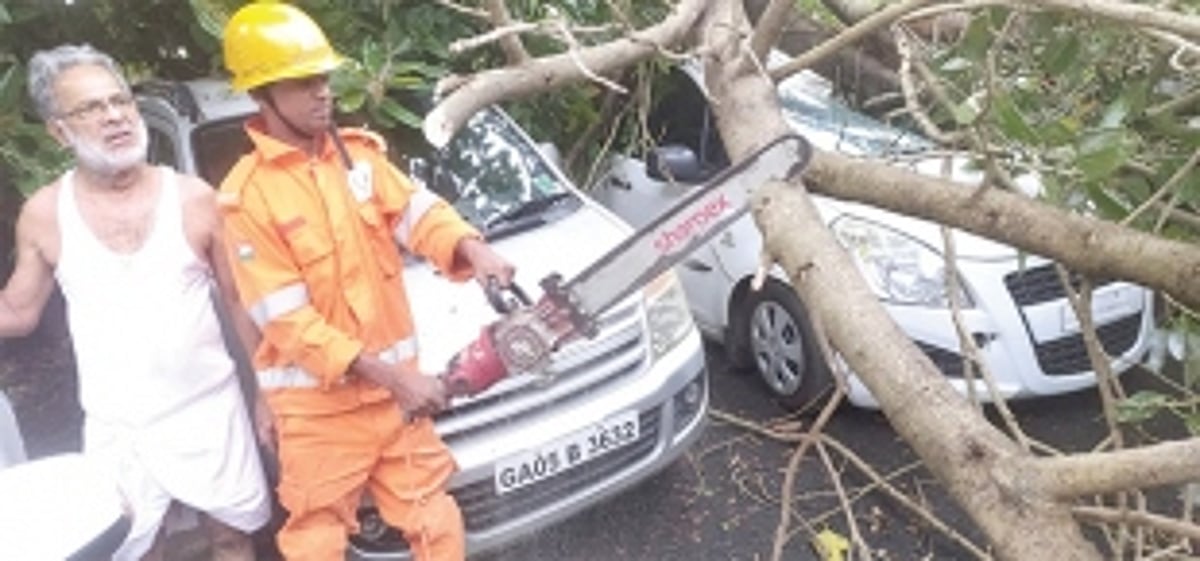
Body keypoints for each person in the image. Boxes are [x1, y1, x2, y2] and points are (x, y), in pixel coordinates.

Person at [217, 3, 515, 560]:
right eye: (303, 84)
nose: (321, 93)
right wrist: (394, 379)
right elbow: (289, 323)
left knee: (436, 523)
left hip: (391, 402)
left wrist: (475, 249)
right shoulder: (247, 198)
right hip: (318, 415)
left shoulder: (358, 159)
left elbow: (419, 213)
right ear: (262, 96)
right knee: (316, 540)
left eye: (324, 79)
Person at [0, 44, 271, 560]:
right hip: (116, 424)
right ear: (59, 131)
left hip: (210, 407)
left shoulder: (193, 198)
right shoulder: (44, 213)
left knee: (233, 539)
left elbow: (241, 302)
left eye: (120, 101)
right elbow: (18, 311)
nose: (115, 117)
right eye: (91, 109)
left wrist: (265, 394)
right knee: (135, 549)